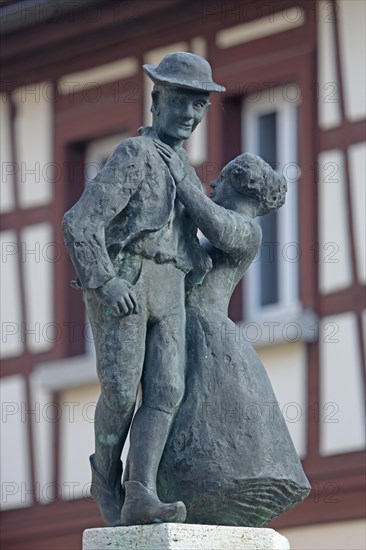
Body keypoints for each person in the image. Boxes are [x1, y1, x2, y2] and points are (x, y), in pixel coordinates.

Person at [62, 52, 225, 526]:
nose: (190, 116)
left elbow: (186, 236)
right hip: (127, 281)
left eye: (199, 107)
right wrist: (104, 280)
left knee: (167, 390)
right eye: (182, 104)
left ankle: (141, 492)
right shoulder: (135, 155)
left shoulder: (182, 164)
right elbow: (80, 222)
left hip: (169, 285)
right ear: (157, 100)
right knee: (118, 392)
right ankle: (104, 478)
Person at [154, 144, 311, 526]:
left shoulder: (247, 231)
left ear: (240, 186)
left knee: (207, 418)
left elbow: (210, 220)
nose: (212, 183)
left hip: (208, 333)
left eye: (221, 178)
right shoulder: (229, 229)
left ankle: (209, 486)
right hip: (188, 328)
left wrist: (180, 174)